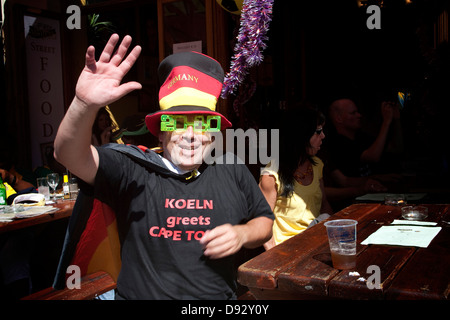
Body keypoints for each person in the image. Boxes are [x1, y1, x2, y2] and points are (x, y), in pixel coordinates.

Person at [53, 34, 274, 300]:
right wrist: (84, 104)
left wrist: (244, 233)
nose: (191, 134)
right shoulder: (133, 168)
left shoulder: (231, 168)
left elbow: (264, 221)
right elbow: (67, 154)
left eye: (203, 123)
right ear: (160, 132)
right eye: (177, 123)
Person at [259, 106, 333, 250]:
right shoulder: (272, 175)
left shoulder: (317, 165)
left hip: (315, 245)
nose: (323, 136)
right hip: (287, 251)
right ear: (301, 135)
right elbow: (262, 220)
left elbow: (324, 204)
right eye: (318, 132)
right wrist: (274, 258)